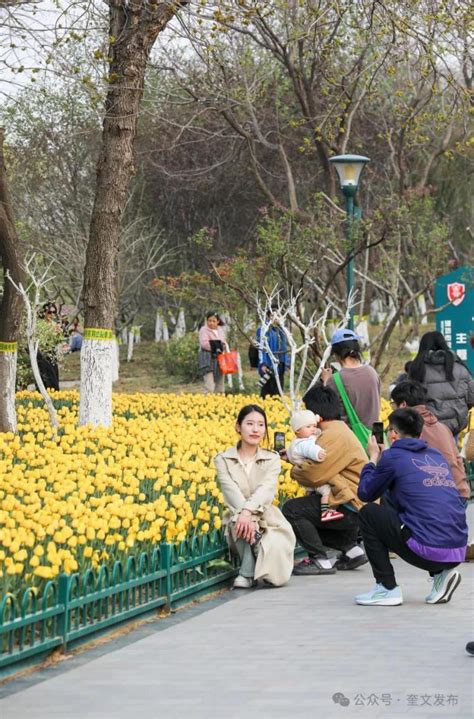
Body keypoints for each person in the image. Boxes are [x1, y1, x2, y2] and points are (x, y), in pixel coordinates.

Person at [355, 408, 468, 607]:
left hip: (427, 550)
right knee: (410, 501)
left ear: (393, 434)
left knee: (368, 513)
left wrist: (372, 458)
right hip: (457, 549)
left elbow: (365, 493)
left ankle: (386, 587)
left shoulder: (393, 457)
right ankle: (441, 576)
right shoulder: (436, 455)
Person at [282, 386, 368, 575]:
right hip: (354, 504)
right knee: (310, 512)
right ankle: (352, 551)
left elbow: (314, 475)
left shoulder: (332, 436)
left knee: (292, 510)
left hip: (351, 506)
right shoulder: (339, 430)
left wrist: (294, 468)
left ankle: (320, 560)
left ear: (317, 416)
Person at [214, 405, 296, 588]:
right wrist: (244, 514)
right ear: (238, 427)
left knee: (277, 578)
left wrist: (248, 512)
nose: (255, 429)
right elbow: (230, 492)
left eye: (260, 425)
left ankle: (257, 554)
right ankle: (247, 571)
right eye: (249, 424)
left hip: (267, 517)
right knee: (237, 521)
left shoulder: (272, 458)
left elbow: (266, 490)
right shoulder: (223, 459)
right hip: (237, 516)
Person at [390, 380, 469, 501]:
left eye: (393, 404)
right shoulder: (442, 427)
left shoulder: (410, 429)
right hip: (460, 491)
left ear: (403, 405)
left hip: (438, 496)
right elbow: (458, 460)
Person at [408, 330, 474, 436]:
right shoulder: (460, 367)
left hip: (427, 426)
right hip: (454, 426)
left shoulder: (417, 369)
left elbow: (410, 400)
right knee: (451, 451)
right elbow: (471, 398)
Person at [286, 409, 343, 522]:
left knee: (315, 492)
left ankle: (310, 497)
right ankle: (326, 512)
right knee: (327, 490)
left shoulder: (300, 440)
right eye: (308, 427)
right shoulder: (303, 443)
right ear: (297, 430)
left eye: (313, 426)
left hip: (307, 476)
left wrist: (314, 421)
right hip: (311, 476)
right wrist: (318, 453)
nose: (313, 429)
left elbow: (315, 433)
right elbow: (309, 449)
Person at [322, 328, 381, 429]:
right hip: (375, 435)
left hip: (351, 438)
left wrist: (326, 382)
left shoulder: (336, 380)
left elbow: (327, 409)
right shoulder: (372, 372)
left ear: (336, 354)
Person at [256, 306, 289, 399]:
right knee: (267, 391)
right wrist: (263, 364)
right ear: (268, 316)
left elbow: (285, 347)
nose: (276, 317)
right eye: (273, 315)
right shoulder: (263, 329)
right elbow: (261, 347)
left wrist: (286, 362)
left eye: (278, 315)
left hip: (280, 364)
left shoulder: (281, 329)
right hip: (268, 364)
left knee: (278, 391)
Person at [198, 311, 228, 394]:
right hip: (207, 359)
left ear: (218, 321)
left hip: (220, 360)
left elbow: (224, 343)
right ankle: (207, 404)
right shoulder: (204, 330)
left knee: (220, 387)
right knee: (209, 387)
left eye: (213, 321)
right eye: (209, 321)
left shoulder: (220, 330)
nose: (211, 323)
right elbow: (204, 344)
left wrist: (219, 346)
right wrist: (217, 347)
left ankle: (220, 404)